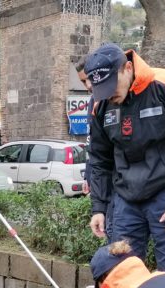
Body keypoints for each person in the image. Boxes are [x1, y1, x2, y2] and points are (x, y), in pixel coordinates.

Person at [85, 43, 165, 271]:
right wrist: (99, 207)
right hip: (125, 198)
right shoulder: (101, 104)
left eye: (111, 85)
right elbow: (99, 159)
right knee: (121, 270)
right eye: (101, 88)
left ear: (128, 68)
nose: (108, 94)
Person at [75, 55, 93, 196]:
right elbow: (91, 144)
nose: (88, 85)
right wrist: (88, 176)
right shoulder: (92, 101)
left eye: (90, 78)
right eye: (83, 81)